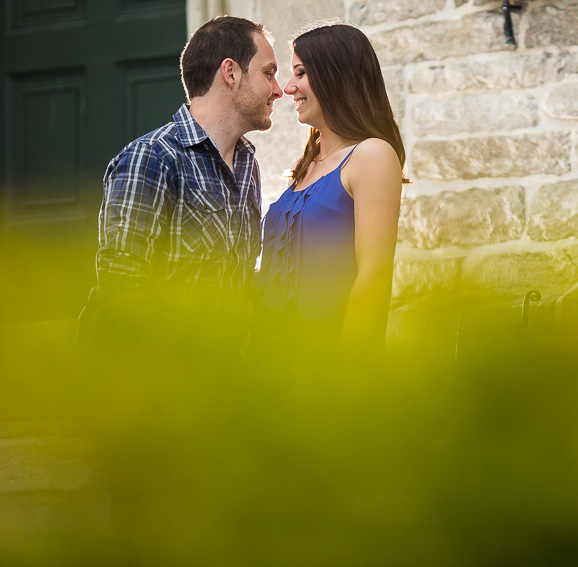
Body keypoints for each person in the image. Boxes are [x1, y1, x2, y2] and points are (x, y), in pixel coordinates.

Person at [78, 15, 283, 357]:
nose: (278, 89)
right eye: (268, 72)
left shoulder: (247, 164)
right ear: (230, 73)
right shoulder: (151, 156)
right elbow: (123, 289)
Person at [253, 22, 405, 359]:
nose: (288, 87)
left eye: (301, 72)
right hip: (269, 363)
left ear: (336, 75)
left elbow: (374, 273)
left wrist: (346, 373)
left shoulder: (372, 155)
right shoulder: (308, 162)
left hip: (324, 365)